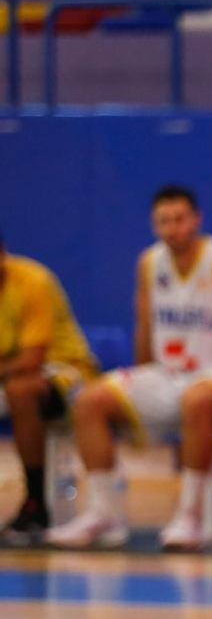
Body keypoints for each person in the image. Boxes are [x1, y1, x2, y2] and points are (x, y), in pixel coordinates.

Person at [45, 186, 212, 550]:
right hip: (167, 374)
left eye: (179, 219)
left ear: (196, 219)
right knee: (88, 401)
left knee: (197, 400)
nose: (172, 229)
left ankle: (190, 516)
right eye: (163, 221)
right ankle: (103, 512)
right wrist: (141, 386)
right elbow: (145, 326)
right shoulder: (149, 262)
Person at [0, 231, 98, 542]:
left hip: (67, 372)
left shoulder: (33, 281)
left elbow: (31, 361)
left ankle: (35, 503)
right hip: (8, 373)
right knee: (16, 386)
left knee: (21, 390)